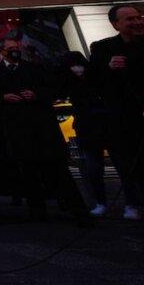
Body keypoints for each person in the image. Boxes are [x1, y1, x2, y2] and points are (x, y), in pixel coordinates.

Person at [0, 37, 83, 218]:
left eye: (17, 48)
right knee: (28, 171)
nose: (15, 51)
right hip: (17, 128)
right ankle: (37, 209)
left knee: (57, 170)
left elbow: (53, 89)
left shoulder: (35, 69)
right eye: (11, 48)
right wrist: (3, 97)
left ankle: (74, 208)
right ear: (1, 51)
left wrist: (36, 95)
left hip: (42, 126)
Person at [87, 4, 144, 220]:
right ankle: (132, 202)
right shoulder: (103, 49)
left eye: (139, 17)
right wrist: (108, 68)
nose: (138, 22)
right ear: (116, 25)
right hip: (123, 118)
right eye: (130, 19)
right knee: (127, 162)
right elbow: (92, 81)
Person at [60, 51, 114, 215]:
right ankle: (101, 201)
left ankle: (102, 202)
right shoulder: (69, 81)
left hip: (98, 123)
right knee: (93, 167)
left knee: (98, 165)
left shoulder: (95, 77)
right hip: (90, 125)